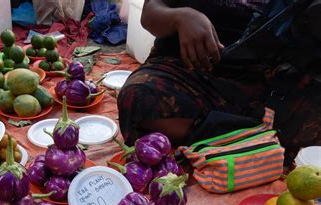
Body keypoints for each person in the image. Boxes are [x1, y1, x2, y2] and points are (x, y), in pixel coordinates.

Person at [117, 0, 321, 161]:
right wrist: (180, 18)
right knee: (138, 96)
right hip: (190, 69)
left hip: (265, 80)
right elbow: (150, 13)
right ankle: (257, 137)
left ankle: (241, 135)